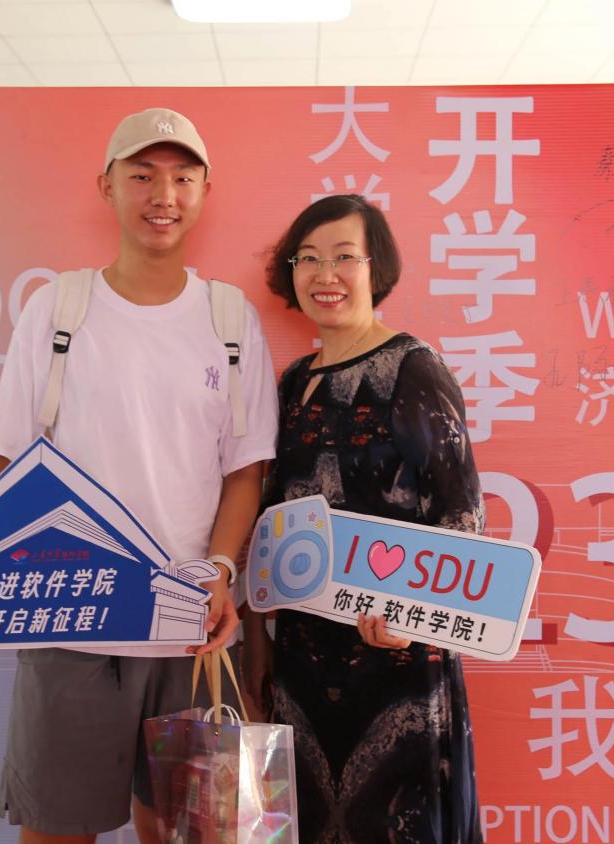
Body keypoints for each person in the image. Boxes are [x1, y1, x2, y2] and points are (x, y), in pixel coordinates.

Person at [0, 107, 279, 844]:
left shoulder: (228, 318)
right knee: (56, 829)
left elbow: (246, 469)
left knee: (193, 833)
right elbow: (1, 452)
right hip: (69, 615)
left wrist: (218, 570)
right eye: (141, 175)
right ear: (106, 187)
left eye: (181, 178)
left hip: (191, 626)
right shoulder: (60, 307)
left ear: (204, 192)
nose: (162, 195)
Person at [242, 194, 484, 844]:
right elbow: (268, 521)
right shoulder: (293, 382)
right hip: (301, 661)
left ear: (376, 268)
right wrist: (258, 636)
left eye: (344, 257)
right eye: (308, 259)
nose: (326, 275)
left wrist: (409, 619)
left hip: (395, 666)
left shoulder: (413, 368)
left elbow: (462, 516)